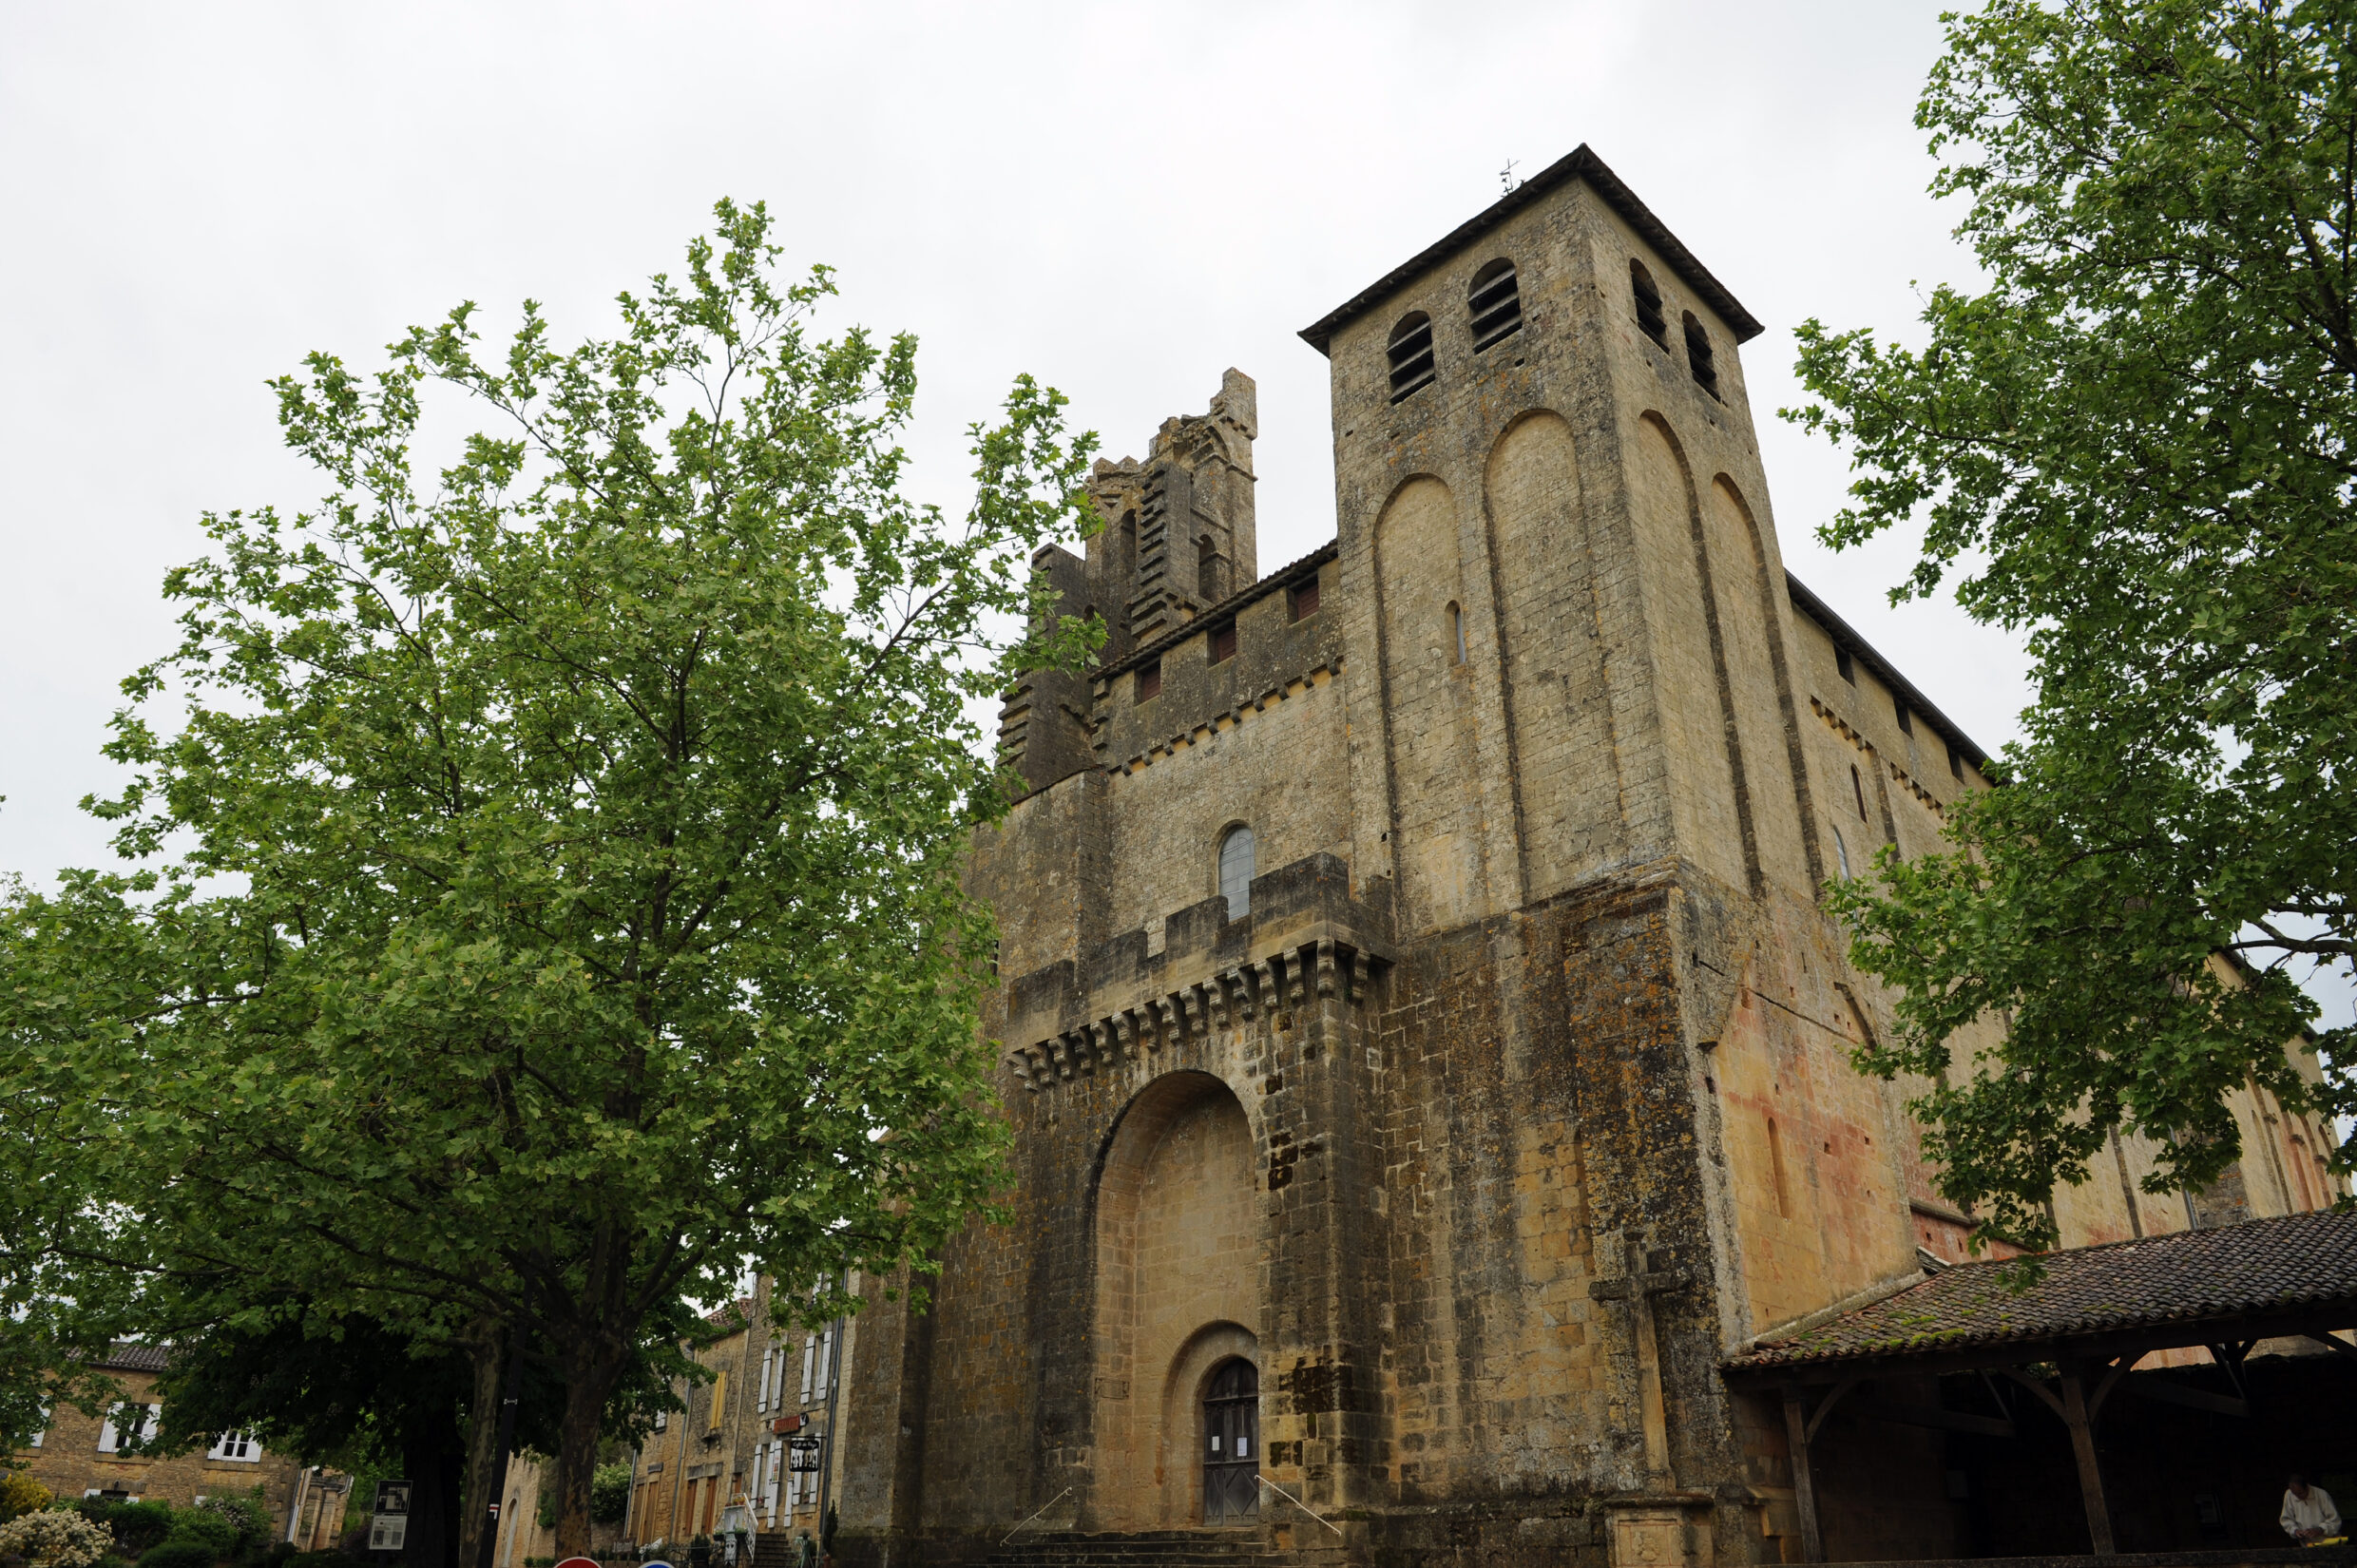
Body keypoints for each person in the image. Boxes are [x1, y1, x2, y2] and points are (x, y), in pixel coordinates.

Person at [2283, 1473, 2343, 1542]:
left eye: (2301, 1493)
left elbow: (2335, 1520)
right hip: (2307, 1544)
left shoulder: (2321, 1494)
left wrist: (2320, 1529)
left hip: (2328, 1542)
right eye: (2295, 1494)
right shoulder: (2289, 1495)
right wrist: (2295, 1531)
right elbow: (2286, 1519)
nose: (2298, 1497)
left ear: (2307, 1487)